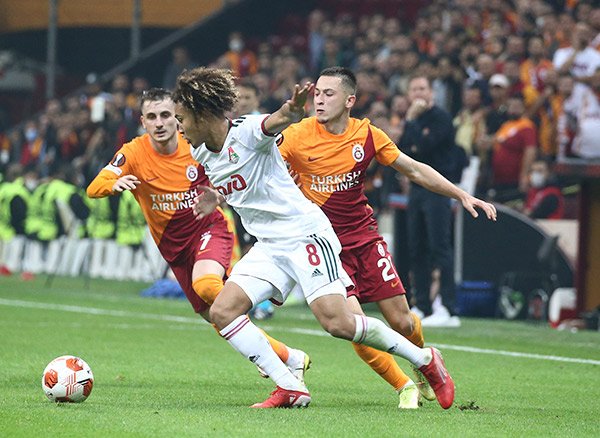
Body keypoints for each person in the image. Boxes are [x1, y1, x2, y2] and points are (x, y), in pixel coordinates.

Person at [173, 67, 461, 410]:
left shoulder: (248, 131)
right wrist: (216, 196)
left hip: (305, 235)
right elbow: (242, 180)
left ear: (202, 114)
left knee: (338, 323)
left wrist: (292, 111)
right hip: (271, 245)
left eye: (181, 119)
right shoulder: (200, 151)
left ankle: (425, 359)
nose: (179, 127)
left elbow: (278, 120)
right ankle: (289, 385)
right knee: (222, 312)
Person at [279, 67, 496, 407]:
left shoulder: (367, 135)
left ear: (349, 101)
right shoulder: (296, 135)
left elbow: (414, 169)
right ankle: (403, 386)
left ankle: (423, 361)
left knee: (402, 321)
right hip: (324, 246)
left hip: (364, 238)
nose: (318, 100)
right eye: (316, 93)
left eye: (328, 94)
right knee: (353, 324)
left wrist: (461, 195)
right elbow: (261, 166)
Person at [86, 88, 309, 382]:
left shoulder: (194, 144)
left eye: (166, 115)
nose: (159, 123)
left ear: (177, 118)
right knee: (215, 317)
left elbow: (235, 171)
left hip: (208, 227)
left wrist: (220, 196)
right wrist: (112, 185)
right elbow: (94, 186)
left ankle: (261, 308)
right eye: (152, 117)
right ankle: (289, 357)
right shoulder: (133, 152)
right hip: (173, 248)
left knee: (207, 286)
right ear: (143, 121)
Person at [399, 75, 466, 327]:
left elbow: (425, 147)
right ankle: (423, 305)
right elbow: (402, 151)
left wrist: (411, 123)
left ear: (431, 92)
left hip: (438, 189)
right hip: (416, 189)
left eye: (422, 88)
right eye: (414, 89)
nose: (418, 93)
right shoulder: (414, 120)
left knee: (440, 247)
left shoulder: (441, 118)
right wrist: (413, 130)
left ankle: (448, 307)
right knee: (417, 248)